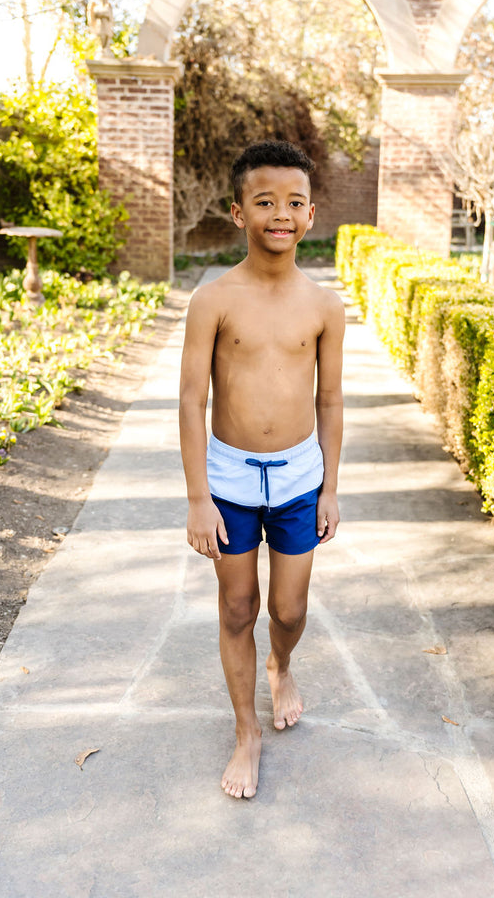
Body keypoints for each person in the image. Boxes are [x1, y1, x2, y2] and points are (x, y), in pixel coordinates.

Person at [179, 139, 345, 799]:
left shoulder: (324, 306)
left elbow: (329, 400)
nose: (281, 213)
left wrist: (331, 485)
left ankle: (281, 665)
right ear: (238, 211)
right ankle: (245, 731)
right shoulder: (213, 300)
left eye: (294, 202)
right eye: (265, 201)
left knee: (288, 606)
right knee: (236, 605)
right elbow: (192, 400)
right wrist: (199, 498)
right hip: (230, 480)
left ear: (310, 215)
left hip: (300, 477)